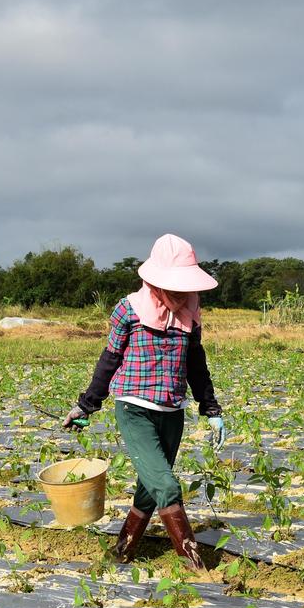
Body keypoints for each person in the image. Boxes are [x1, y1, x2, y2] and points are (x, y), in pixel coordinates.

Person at [63, 234, 225, 570]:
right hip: (135, 409)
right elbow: (109, 359)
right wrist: (86, 406)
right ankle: (197, 569)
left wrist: (210, 407)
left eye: (185, 288)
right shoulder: (129, 309)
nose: (180, 295)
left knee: (150, 489)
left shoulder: (191, 311)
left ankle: (120, 552)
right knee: (166, 485)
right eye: (174, 287)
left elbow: (196, 362)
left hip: (172, 412)